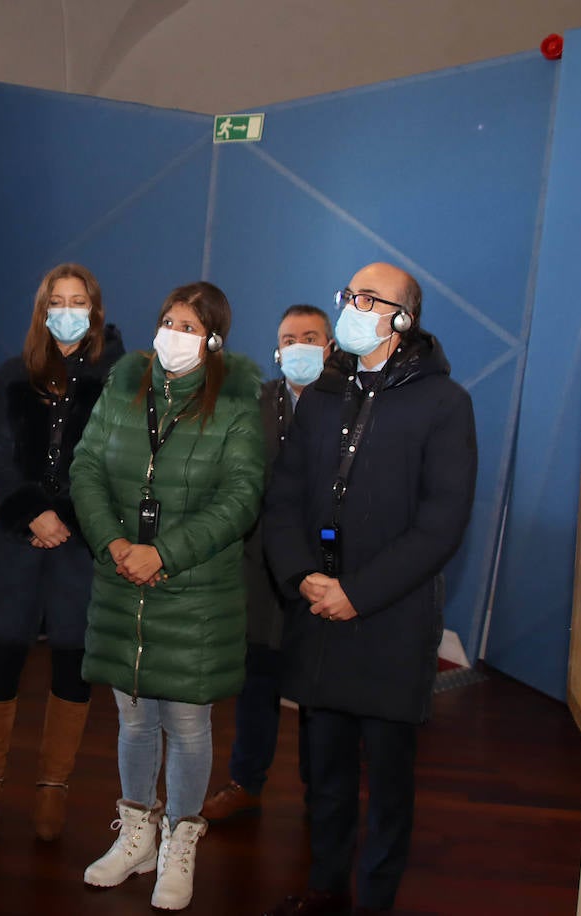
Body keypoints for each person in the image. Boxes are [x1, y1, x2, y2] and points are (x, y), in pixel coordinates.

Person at [261, 263, 476, 916]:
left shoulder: (445, 404)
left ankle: (375, 901)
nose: (352, 307)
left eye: (367, 298)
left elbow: (441, 524)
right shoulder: (324, 395)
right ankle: (326, 888)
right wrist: (304, 578)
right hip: (319, 616)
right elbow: (285, 497)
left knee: (387, 786)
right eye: (348, 295)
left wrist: (356, 592)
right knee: (322, 779)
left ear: (403, 318)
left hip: (388, 621)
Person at [70, 281, 264, 911]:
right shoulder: (123, 388)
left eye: (189, 326)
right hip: (124, 581)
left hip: (194, 592)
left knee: (185, 721)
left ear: (213, 340)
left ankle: (181, 841)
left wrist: (166, 553)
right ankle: (136, 835)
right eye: (168, 321)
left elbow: (240, 497)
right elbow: (87, 468)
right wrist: (114, 544)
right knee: (132, 717)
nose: (173, 335)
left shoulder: (236, 404)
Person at [0, 263, 124, 840]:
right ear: (43, 309)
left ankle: (53, 789)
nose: (68, 309)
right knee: (1, 655)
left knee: (73, 663)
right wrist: (34, 511)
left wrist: (70, 518)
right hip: (18, 535)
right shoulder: (13, 373)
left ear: (95, 311)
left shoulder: (120, 379)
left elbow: (116, 466)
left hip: (82, 542)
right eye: (58, 300)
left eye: (79, 300)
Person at [202, 304, 333, 822]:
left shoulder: (348, 408)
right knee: (256, 686)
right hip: (256, 573)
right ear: (277, 350)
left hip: (322, 577)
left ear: (330, 346)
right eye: (288, 338)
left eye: (310, 336)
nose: (298, 346)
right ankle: (245, 783)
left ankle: (319, 795)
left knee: (318, 696)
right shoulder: (252, 405)